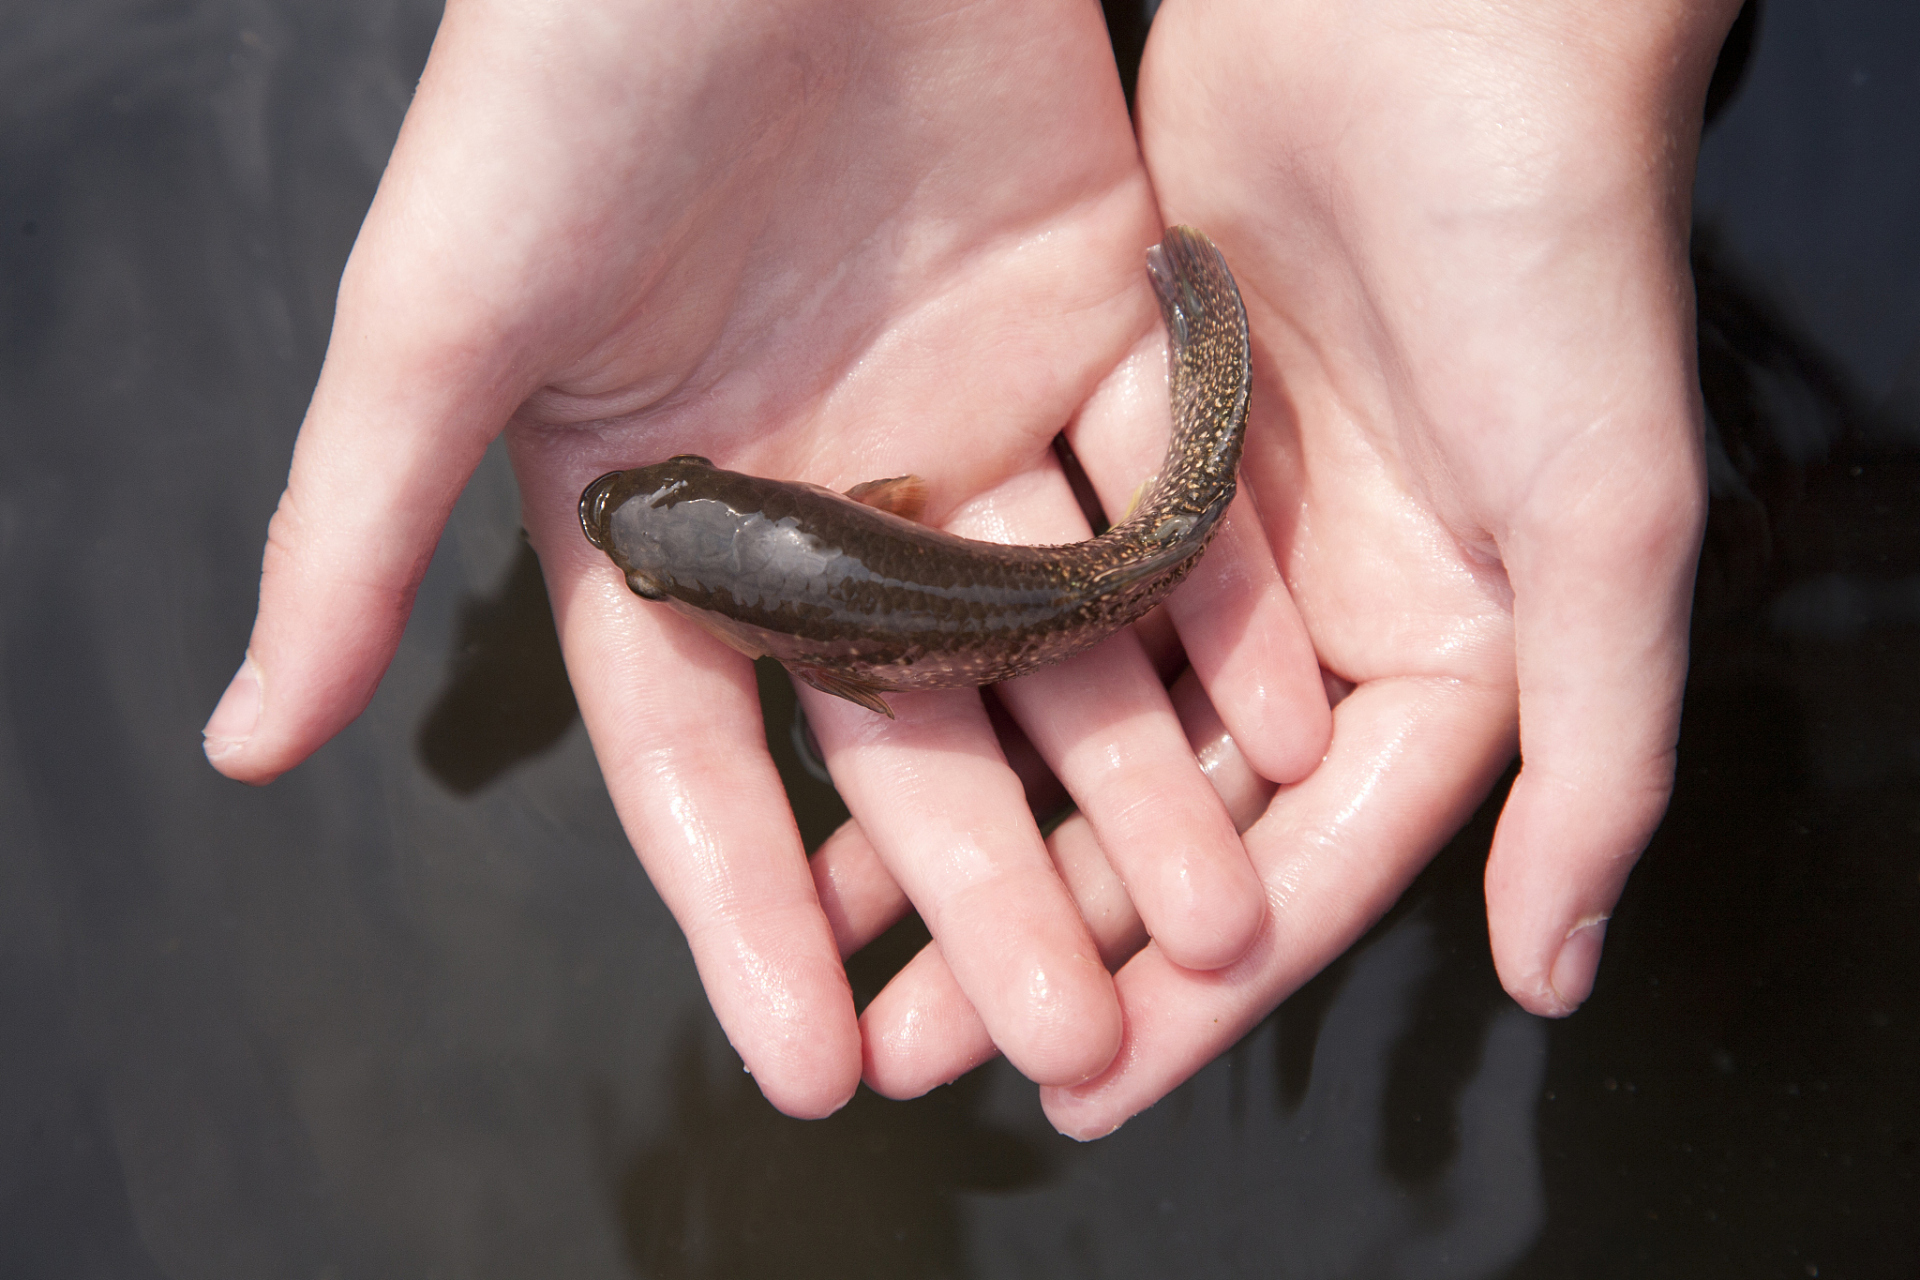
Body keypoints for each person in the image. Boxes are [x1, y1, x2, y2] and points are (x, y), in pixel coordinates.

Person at [201, 0, 1744, 1136]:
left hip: (1048, 544)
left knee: (1157, 584)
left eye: (666, 523)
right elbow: (881, 530)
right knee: (1155, 567)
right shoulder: (850, 521)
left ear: (747, 503)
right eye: (664, 553)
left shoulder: (814, 640)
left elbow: (864, 656)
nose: (641, 529)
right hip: (1030, 525)